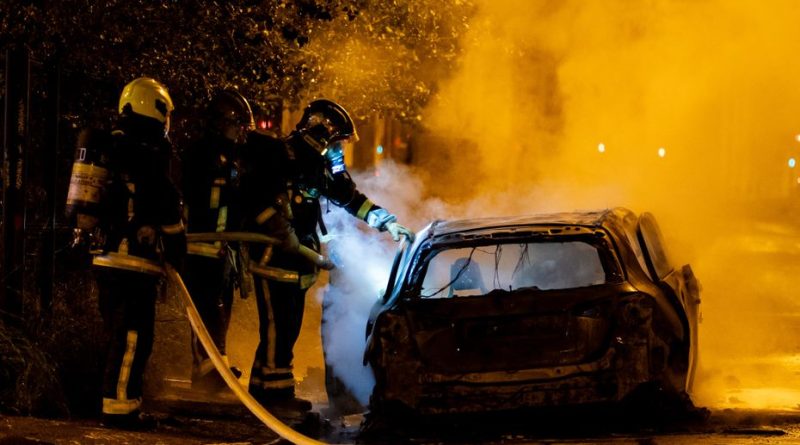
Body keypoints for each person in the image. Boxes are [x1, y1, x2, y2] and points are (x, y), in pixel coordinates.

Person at [239, 99, 413, 413]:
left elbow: (348, 197)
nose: (338, 150)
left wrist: (386, 222)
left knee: (286, 329)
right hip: (272, 257)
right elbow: (254, 200)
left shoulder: (313, 166)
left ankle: (266, 393)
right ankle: (274, 398)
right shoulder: (281, 158)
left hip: (296, 260)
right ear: (321, 134)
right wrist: (280, 230)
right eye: (337, 143)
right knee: (278, 327)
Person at [66, 77, 185, 429]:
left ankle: (125, 404)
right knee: (133, 338)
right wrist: (177, 254)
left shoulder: (112, 147)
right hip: (132, 263)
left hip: (105, 259)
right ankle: (120, 411)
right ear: (157, 109)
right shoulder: (148, 154)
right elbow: (168, 208)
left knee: (120, 336)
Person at [181, 89, 254, 391]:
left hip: (224, 249)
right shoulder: (201, 154)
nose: (240, 132)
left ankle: (217, 368)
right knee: (206, 310)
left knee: (221, 311)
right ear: (222, 122)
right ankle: (206, 372)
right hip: (201, 248)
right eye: (237, 125)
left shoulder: (233, 157)